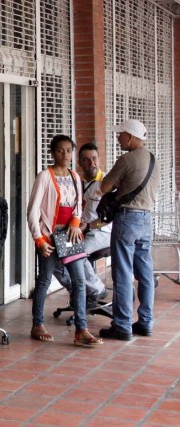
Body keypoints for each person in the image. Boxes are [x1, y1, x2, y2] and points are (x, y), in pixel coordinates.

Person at [26, 134, 103, 346]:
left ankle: (81, 330)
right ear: (52, 153)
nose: (65, 154)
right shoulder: (44, 176)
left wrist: (76, 222)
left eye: (69, 150)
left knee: (79, 281)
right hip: (49, 237)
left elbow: (78, 205)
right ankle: (37, 324)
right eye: (60, 150)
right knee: (44, 280)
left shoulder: (75, 177)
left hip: (70, 236)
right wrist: (39, 238)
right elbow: (32, 211)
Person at [98, 119, 160, 341]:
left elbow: (104, 186)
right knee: (144, 273)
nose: (118, 138)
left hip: (127, 219)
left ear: (132, 137)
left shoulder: (126, 159)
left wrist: (117, 185)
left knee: (122, 272)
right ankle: (146, 322)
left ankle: (122, 325)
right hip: (146, 220)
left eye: (121, 134)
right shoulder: (153, 159)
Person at [53, 143, 110, 306]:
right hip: (78, 231)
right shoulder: (76, 182)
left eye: (94, 159)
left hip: (101, 232)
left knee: (76, 252)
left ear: (99, 159)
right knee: (55, 256)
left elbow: (111, 216)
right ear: (80, 163)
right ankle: (78, 291)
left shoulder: (106, 183)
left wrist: (89, 226)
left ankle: (98, 289)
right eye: (86, 160)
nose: (91, 164)